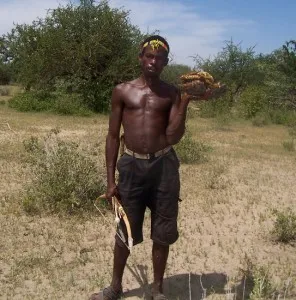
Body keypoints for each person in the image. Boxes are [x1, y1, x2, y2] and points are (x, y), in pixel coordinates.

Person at [90, 35, 204, 300]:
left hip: (164, 166)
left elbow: (174, 136)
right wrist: (110, 181)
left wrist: (185, 100)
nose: (154, 61)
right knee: (125, 229)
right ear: (141, 58)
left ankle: (157, 289)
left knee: (163, 230)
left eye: (160, 58)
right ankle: (115, 287)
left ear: (165, 63)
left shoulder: (171, 93)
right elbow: (111, 135)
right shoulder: (122, 91)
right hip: (131, 166)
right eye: (149, 56)